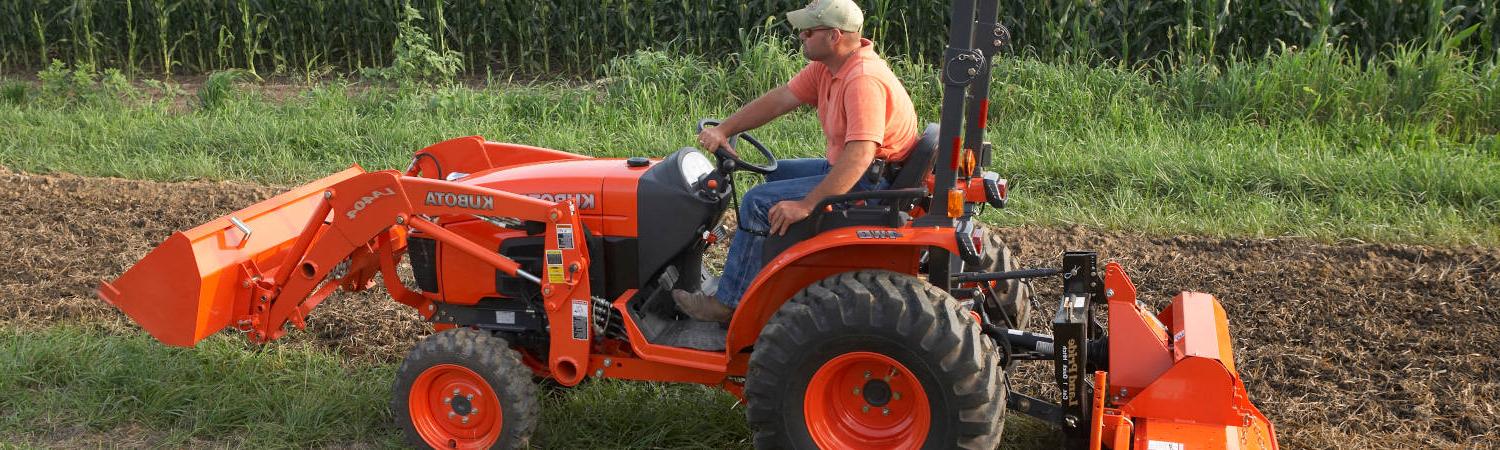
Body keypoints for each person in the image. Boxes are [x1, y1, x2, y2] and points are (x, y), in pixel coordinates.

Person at [672, 0, 919, 322]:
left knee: (756, 202)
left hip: (871, 182)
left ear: (834, 36)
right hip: (861, 170)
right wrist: (724, 130)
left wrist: (807, 204)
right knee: (777, 174)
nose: (801, 35)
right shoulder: (831, 67)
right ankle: (770, 275)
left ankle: (728, 305)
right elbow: (780, 100)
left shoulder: (862, 80)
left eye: (809, 30)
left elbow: (860, 155)